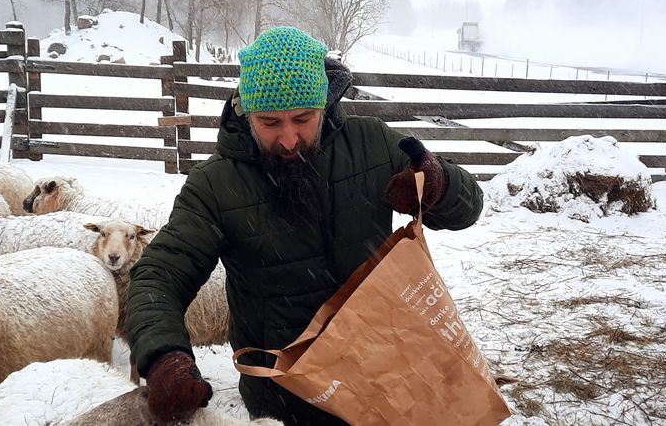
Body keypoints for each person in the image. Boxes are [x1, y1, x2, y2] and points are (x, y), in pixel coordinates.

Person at [126, 26, 484, 426]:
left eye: (303, 118)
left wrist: (438, 184)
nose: (290, 139)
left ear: (324, 106)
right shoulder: (216, 185)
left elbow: (467, 211)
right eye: (270, 122)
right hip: (287, 392)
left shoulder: (372, 145)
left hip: (385, 363)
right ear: (246, 113)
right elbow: (160, 275)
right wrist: (163, 356)